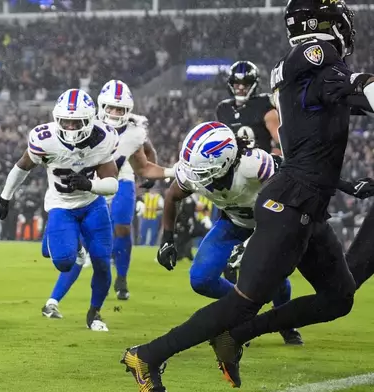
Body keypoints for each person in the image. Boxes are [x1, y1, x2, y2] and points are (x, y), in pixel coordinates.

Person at [121, 2, 374, 390]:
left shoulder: (311, 75)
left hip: (307, 201)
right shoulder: (316, 63)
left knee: (339, 297)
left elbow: (347, 102)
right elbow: (357, 90)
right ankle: (148, 355)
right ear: (327, 24)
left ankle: (236, 336)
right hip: (291, 204)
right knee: (242, 301)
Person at [37, 81, 174, 320]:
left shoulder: (134, 132)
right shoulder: (87, 124)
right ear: (100, 107)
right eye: (110, 108)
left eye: (120, 109)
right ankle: (55, 297)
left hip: (120, 178)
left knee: (121, 227)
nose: (115, 113)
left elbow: (146, 155)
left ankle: (120, 278)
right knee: (73, 247)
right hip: (84, 189)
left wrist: (165, 172)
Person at [157, 121, 302, 345]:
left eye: (201, 169)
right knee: (201, 279)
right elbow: (172, 196)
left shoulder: (253, 165)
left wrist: (258, 241)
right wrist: (167, 239)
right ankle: (244, 310)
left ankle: (285, 323)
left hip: (269, 225)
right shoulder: (197, 173)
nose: (193, 176)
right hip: (233, 223)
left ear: (223, 162)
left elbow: (286, 198)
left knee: (276, 278)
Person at [0, 88, 120, 331]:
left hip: (92, 205)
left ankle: (94, 314)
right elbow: (22, 167)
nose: (70, 128)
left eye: (76, 123)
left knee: (103, 262)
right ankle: (76, 246)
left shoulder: (103, 138)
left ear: (89, 120)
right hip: (61, 206)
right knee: (64, 261)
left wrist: (90, 184)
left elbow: (112, 184)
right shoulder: (45, 138)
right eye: (65, 122)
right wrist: (4, 197)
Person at [216, 61, 281, 154]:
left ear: (254, 84)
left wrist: (273, 160)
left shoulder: (263, 104)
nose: (241, 87)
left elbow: (282, 142)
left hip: (262, 164)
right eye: (237, 83)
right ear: (231, 84)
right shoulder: (224, 109)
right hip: (235, 164)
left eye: (246, 84)